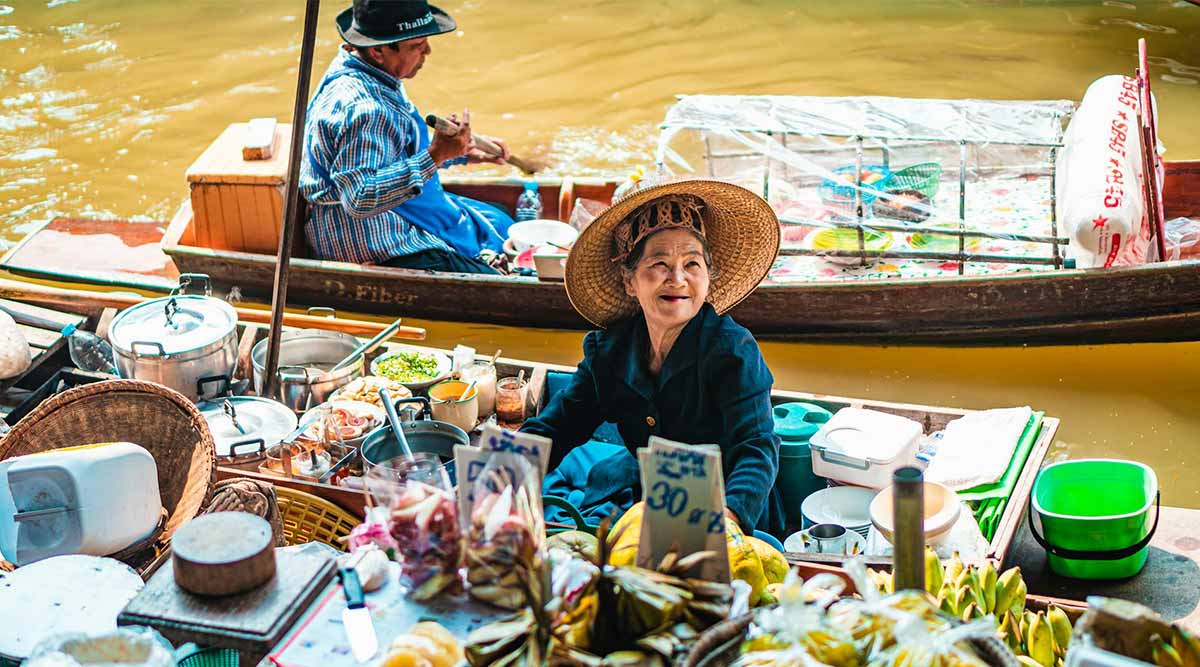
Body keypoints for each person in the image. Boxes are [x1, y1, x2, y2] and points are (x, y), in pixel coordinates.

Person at [521, 179, 786, 537]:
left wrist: (728, 518)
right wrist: (503, 469)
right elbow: (559, 424)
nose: (677, 278)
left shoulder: (732, 350)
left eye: (692, 263)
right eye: (659, 263)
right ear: (630, 280)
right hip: (654, 500)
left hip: (727, 510)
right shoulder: (609, 350)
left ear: (708, 276)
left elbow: (756, 448)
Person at [300, 0, 514, 274]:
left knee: (499, 217)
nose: (428, 51)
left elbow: (390, 149)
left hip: (388, 210)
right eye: (417, 45)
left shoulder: (359, 67)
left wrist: (458, 154)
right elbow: (359, 197)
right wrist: (435, 156)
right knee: (492, 273)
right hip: (365, 234)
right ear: (378, 50)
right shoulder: (366, 109)